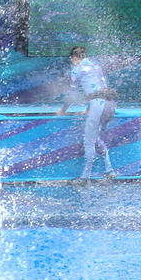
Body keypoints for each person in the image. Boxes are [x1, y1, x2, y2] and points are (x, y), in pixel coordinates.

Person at [56, 46, 117, 180]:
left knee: (88, 141)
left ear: (74, 58)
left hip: (98, 106)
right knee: (96, 137)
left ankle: (85, 177)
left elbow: (72, 94)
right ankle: (109, 170)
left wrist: (63, 110)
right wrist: (89, 108)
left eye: (71, 59)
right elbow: (99, 88)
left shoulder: (77, 69)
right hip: (111, 104)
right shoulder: (95, 66)